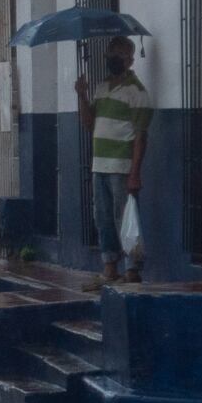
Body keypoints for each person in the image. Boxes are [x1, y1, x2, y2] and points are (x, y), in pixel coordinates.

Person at [77, 35, 153, 288]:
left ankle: (132, 268)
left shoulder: (138, 93)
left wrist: (135, 172)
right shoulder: (101, 88)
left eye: (119, 55)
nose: (113, 59)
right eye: (110, 54)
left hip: (122, 167)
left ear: (130, 59)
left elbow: (141, 137)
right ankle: (110, 266)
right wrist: (82, 95)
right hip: (99, 165)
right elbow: (89, 123)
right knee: (103, 218)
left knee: (126, 218)